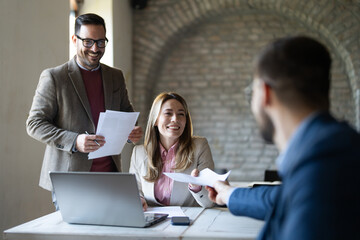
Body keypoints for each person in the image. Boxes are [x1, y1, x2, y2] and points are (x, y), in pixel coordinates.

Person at [206, 36, 360, 239]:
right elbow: (279, 198)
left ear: (265, 92)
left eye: (252, 92)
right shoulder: (331, 149)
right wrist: (228, 194)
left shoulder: (323, 164)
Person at [26, 13, 142, 200]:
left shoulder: (116, 76)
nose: (95, 49)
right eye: (88, 42)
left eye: (101, 42)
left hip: (110, 177)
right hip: (70, 181)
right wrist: (74, 141)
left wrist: (132, 131)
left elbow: (126, 112)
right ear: (74, 40)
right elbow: (34, 124)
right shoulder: (54, 77)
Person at [129, 92, 215, 210]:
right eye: (168, 113)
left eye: (181, 114)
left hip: (188, 221)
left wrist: (197, 187)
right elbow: (135, 191)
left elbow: (209, 202)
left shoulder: (200, 147)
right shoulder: (138, 153)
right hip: (152, 220)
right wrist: (139, 199)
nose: (175, 119)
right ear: (155, 120)